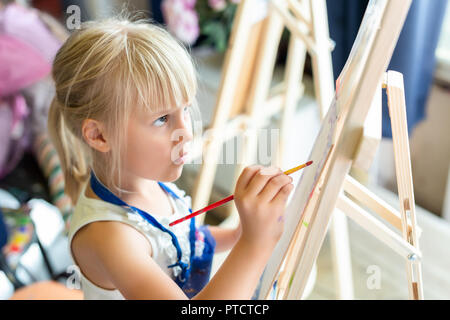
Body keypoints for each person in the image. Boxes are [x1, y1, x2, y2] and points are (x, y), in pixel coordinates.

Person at [47, 12, 294, 300]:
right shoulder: (112, 237)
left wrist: (240, 233)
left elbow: (187, 240)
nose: (186, 133)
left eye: (185, 110)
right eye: (162, 119)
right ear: (99, 136)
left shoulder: (144, 179)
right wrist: (255, 244)